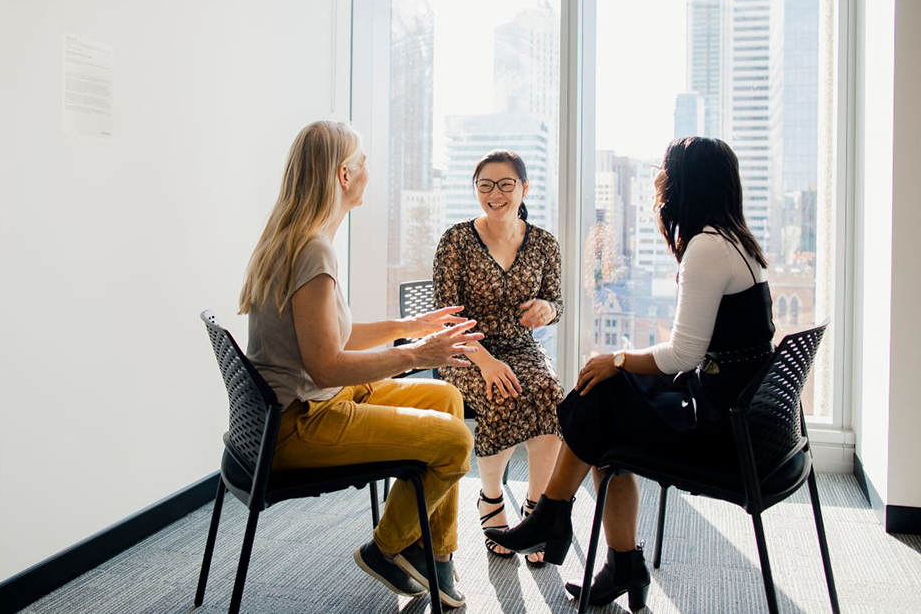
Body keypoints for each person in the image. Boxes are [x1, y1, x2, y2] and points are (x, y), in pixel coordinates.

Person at [487, 136, 776, 611]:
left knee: (599, 396)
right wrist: (617, 365)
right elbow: (701, 352)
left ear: (685, 182)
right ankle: (589, 541)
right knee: (602, 402)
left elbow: (683, 353)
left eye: (664, 171)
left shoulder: (707, 247)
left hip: (720, 430)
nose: (658, 179)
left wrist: (617, 358)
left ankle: (558, 520)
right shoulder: (737, 241)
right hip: (736, 409)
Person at [239, 120, 482, 609]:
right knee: (457, 440)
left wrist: (409, 326)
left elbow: (333, 335)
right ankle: (387, 548)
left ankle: (435, 553)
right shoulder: (313, 251)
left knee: (447, 397)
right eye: (362, 161)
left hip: (305, 407)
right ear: (342, 175)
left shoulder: (296, 238)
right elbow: (327, 366)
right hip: (301, 423)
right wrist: (418, 355)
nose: (369, 169)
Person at [433, 150, 564, 566]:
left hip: (520, 346)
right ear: (476, 190)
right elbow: (446, 319)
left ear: (525, 188)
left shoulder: (543, 243)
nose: (495, 193)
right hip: (464, 350)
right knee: (501, 391)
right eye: (485, 185)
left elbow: (555, 301)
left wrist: (547, 309)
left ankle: (537, 509)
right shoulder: (455, 240)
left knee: (549, 391)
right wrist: (486, 361)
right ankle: (490, 501)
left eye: (506, 184)